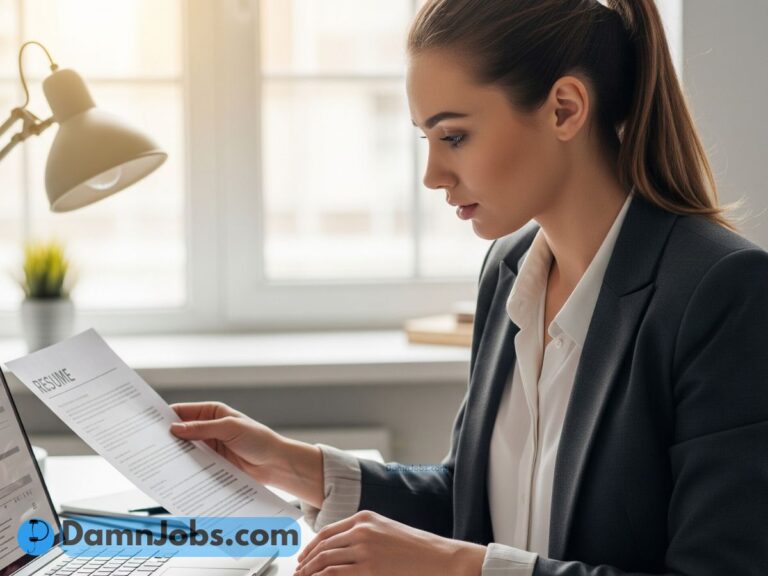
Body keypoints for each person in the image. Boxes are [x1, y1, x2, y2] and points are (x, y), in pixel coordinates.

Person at [170, 0, 768, 574]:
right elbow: (474, 501)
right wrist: (290, 463)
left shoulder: (723, 294)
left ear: (564, 108)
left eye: (453, 136)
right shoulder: (510, 270)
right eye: (424, 139)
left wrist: (457, 567)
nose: (432, 175)